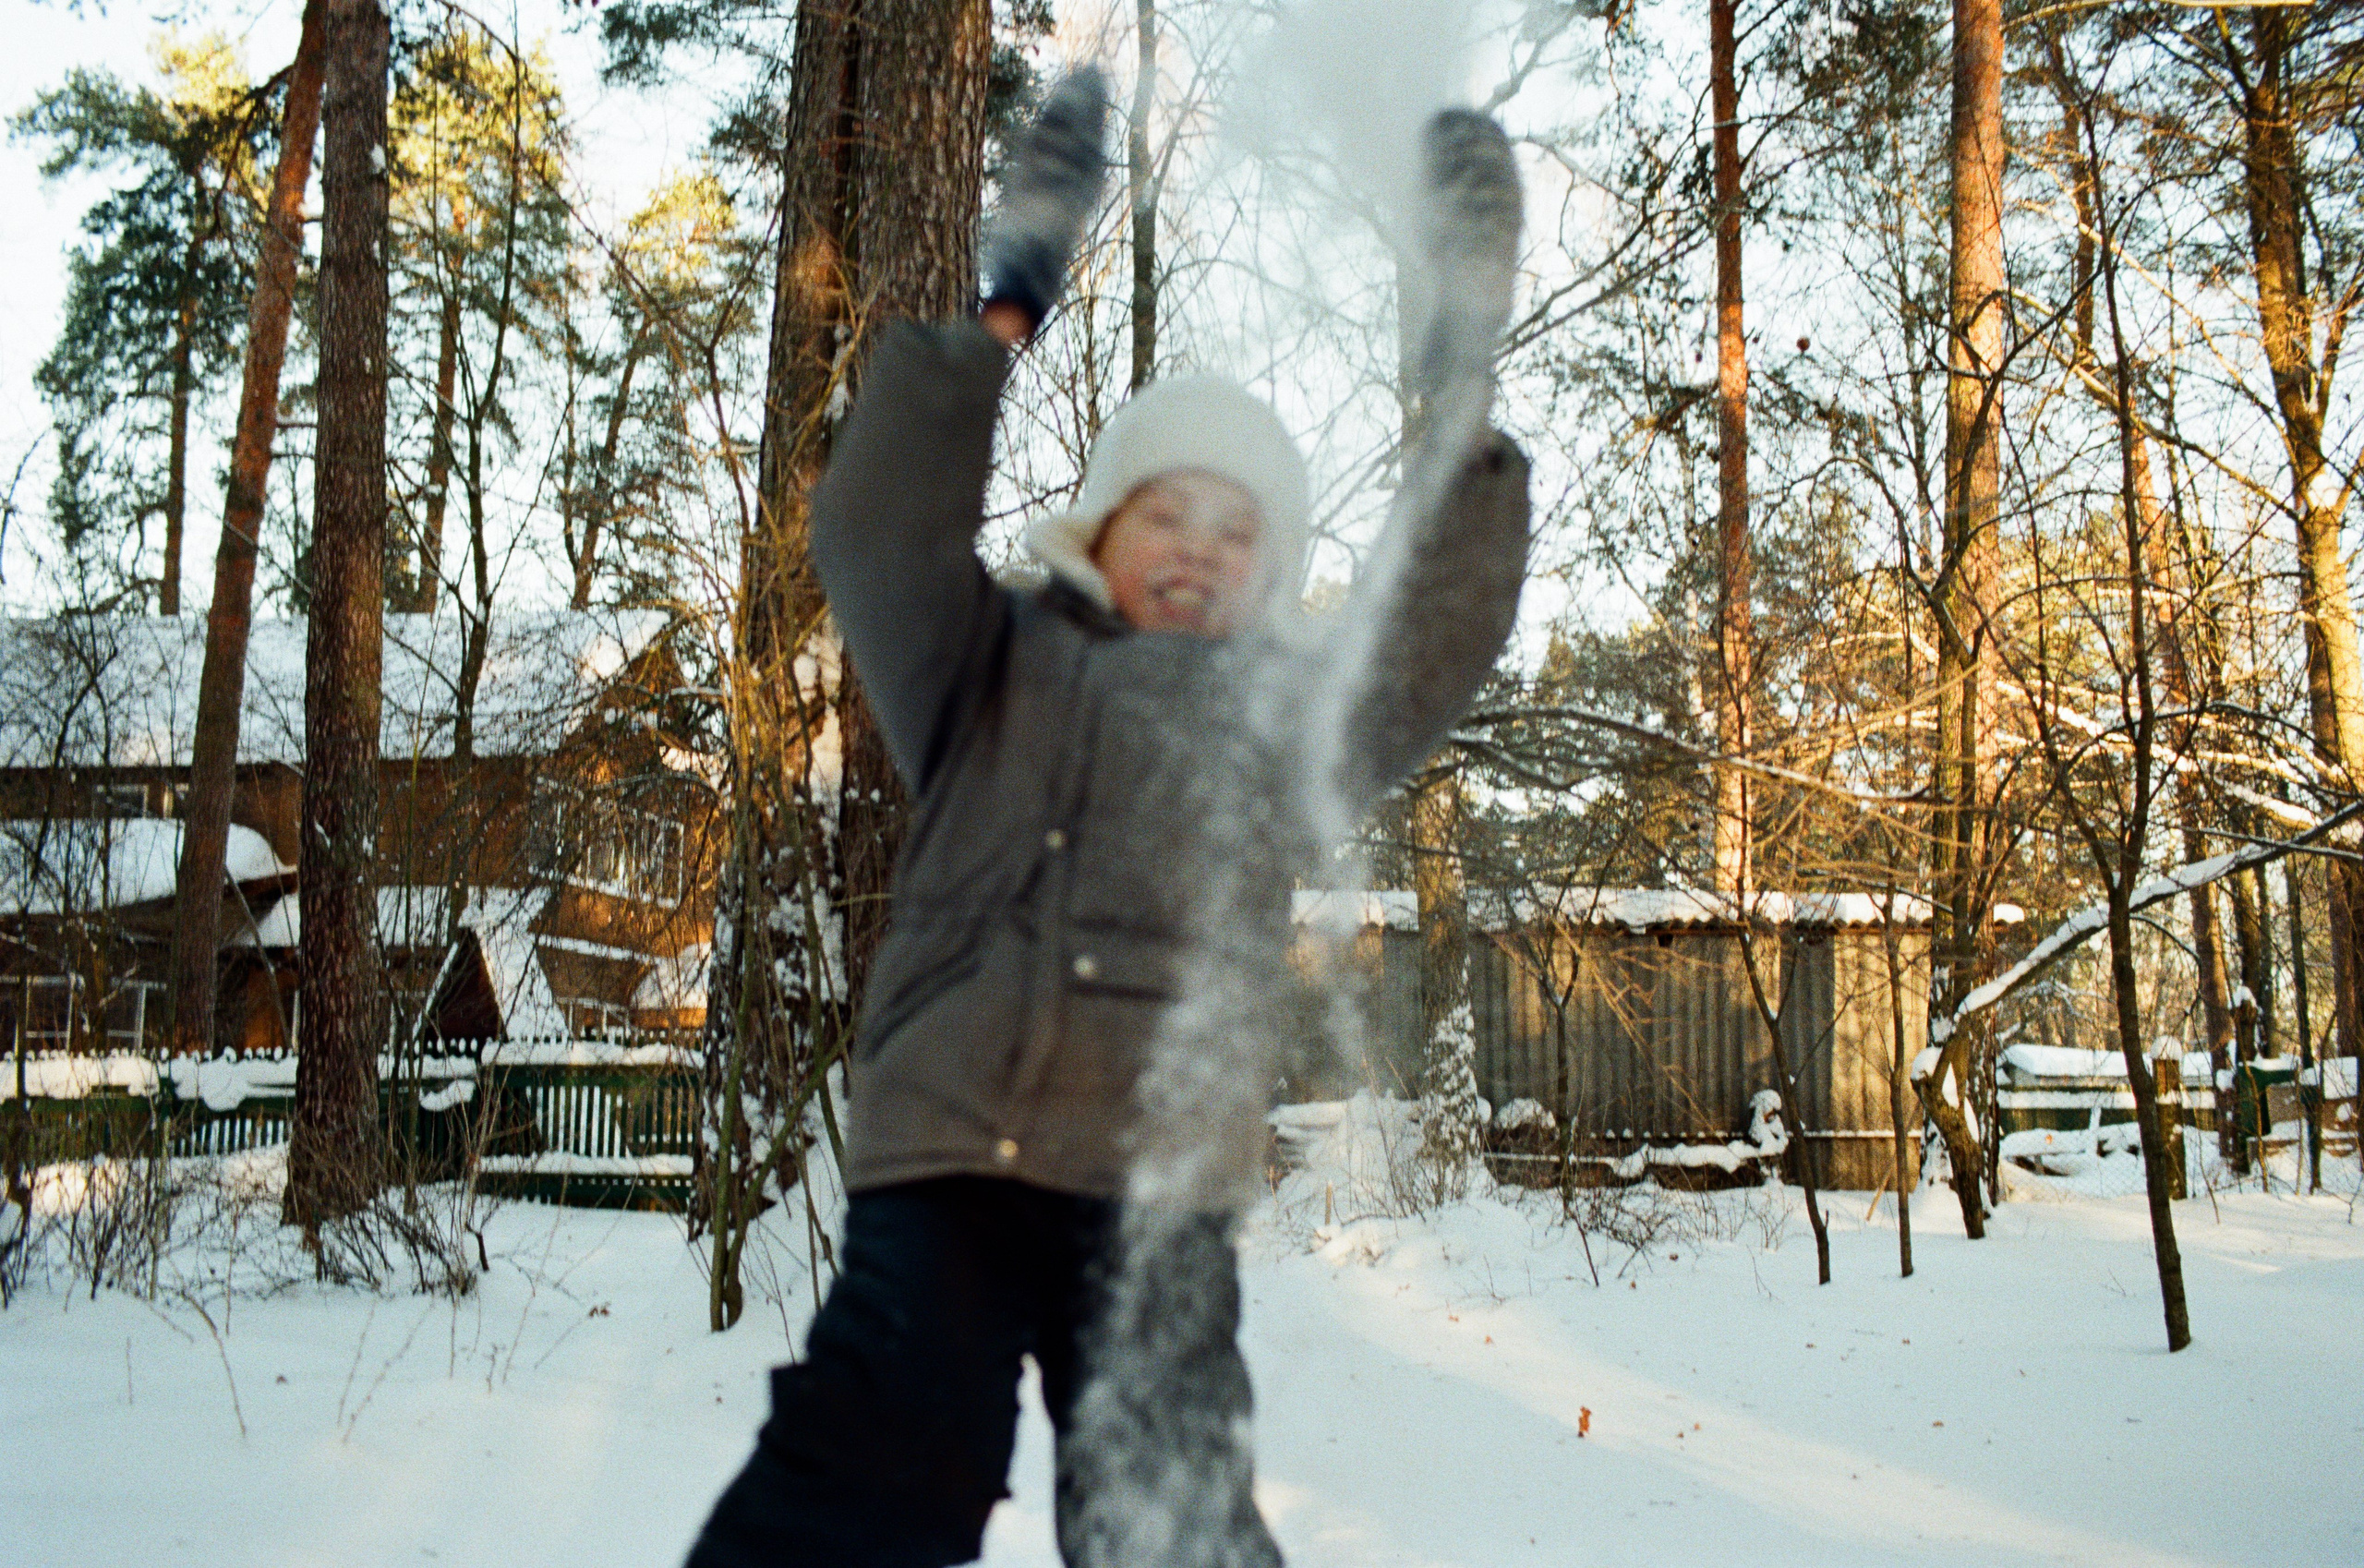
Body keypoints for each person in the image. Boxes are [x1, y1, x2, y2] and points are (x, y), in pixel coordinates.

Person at [686, 70, 1529, 1568]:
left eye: (1234, 529)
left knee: (1170, 1514)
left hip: (1154, 1181)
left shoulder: (1287, 719)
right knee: (886, 1457)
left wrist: (1458, 377)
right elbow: (872, 524)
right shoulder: (985, 656)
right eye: (1167, 516)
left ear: (1267, 570)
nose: (1198, 552)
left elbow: (1436, 637)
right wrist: (1002, 307)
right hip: (948, 1148)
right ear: (1103, 527)